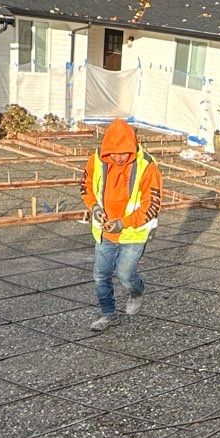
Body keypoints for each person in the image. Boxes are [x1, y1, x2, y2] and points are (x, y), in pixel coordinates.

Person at [82, 117, 164, 330]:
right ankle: (108, 314)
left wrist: (124, 223)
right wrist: (95, 208)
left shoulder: (147, 166)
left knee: (125, 274)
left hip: (134, 232)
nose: (118, 158)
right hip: (105, 230)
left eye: (124, 153)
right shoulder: (96, 161)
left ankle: (137, 291)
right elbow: (86, 187)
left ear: (132, 148)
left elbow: (151, 205)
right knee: (100, 275)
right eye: (113, 153)